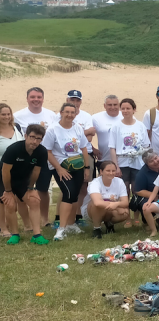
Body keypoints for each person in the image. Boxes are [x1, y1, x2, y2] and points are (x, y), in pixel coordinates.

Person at [45, 103, 91, 241]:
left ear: (76, 113)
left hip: (77, 166)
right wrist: (59, 168)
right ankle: (61, 229)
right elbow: (47, 151)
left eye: (73, 112)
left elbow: (83, 148)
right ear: (61, 112)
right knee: (68, 193)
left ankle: (71, 224)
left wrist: (87, 168)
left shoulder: (77, 128)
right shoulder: (53, 129)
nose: (70, 115)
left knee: (75, 195)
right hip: (61, 167)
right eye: (67, 112)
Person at [14, 87, 57, 227]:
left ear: (43, 99)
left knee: (43, 189)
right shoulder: (18, 116)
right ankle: (27, 223)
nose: (36, 100)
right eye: (32, 97)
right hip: (25, 158)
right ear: (27, 98)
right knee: (22, 189)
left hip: (44, 157)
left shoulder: (51, 115)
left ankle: (45, 220)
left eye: (39, 97)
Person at [1, 124, 48, 245]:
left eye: (38, 139)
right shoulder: (14, 149)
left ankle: (37, 235)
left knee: (34, 201)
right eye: (32, 137)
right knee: (10, 204)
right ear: (25, 136)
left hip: (23, 180)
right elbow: (5, 171)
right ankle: (15, 235)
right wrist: (8, 191)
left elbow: (36, 171)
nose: (35, 141)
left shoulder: (42, 151)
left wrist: (31, 188)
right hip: (5, 179)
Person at [109, 98, 150, 227]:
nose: (125, 111)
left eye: (128, 108)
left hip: (138, 162)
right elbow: (112, 147)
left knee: (137, 190)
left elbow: (147, 145)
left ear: (134, 109)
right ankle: (126, 217)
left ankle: (136, 216)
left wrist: (139, 153)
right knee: (125, 190)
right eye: (123, 108)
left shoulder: (140, 125)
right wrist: (116, 166)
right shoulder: (116, 126)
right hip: (122, 162)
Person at [62, 90, 96, 226]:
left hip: (85, 154)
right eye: (72, 100)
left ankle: (78, 215)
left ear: (80, 101)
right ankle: (61, 217)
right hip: (66, 156)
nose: (75, 102)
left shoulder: (86, 116)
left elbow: (90, 136)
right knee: (66, 186)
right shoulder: (59, 115)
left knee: (84, 185)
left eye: (77, 100)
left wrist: (75, 136)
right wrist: (81, 134)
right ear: (67, 100)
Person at [80, 161, 129, 239]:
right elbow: (97, 202)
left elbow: (125, 202)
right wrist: (117, 206)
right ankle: (96, 229)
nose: (111, 173)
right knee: (98, 205)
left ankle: (109, 224)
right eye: (108, 171)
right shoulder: (95, 183)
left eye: (113, 171)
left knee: (125, 212)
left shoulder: (119, 181)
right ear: (101, 172)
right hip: (90, 210)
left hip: (109, 208)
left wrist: (116, 204)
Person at [0, 104, 26, 237]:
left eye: (8, 114)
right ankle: (3, 228)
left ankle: (12, 225)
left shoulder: (16, 127)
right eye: (3, 114)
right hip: (2, 168)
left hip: (17, 168)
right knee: (3, 199)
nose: (6, 117)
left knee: (16, 199)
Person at [92, 95, 123, 164]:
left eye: (115, 105)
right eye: (110, 105)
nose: (113, 107)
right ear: (104, 106)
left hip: (123, 161)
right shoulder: (96, 118)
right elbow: (83, 136)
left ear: (119, 105)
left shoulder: (126, 116)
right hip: (104, 160)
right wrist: (92, 149)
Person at [132, 150, 159, 218]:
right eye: (151, 161)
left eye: (156, 158)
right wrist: (154, 196)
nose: (155, 162)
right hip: (151, 196)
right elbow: (138, 191)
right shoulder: (141, 174)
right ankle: (147, 221)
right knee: (145, 204)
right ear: (146, 164)